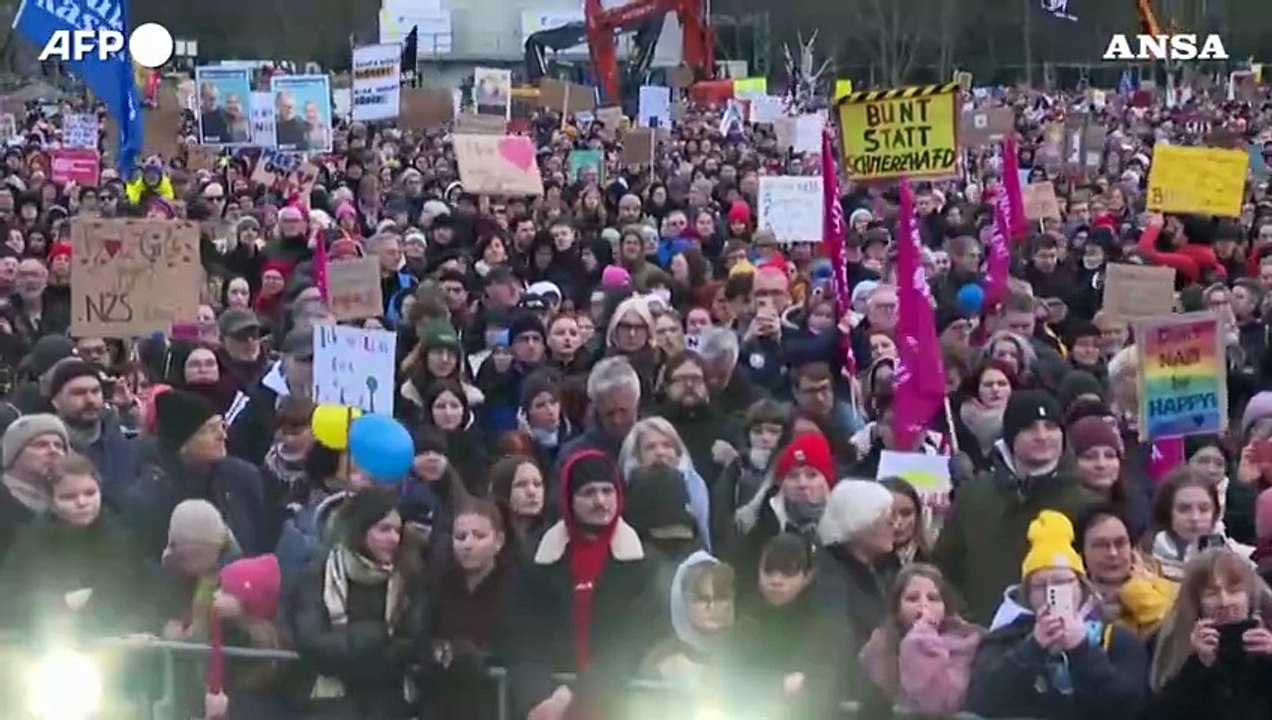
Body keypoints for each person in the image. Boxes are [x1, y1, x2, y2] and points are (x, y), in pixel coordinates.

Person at [505, 449, 654, 720]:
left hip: (616, 704)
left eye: (607, 491)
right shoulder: (537, 558)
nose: (600, 501)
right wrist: (540, 698)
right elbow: (522, 639)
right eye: (588, 493)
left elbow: (633, 642)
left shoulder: (642, 562)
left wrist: (573, 697)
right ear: (568, 499)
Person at [964, 510, 1148, 719]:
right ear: (1028, 595)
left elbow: (1128, 706)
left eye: (1062, 582)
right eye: (1041, 586)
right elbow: (983, 701)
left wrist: (1080, 648)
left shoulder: (1117, 639)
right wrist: (1033, 648)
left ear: (1081, 587)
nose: (1051, 591)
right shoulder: (1004, 638)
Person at [936, 390, 1099, 623]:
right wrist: (963, 618)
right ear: (1011, 436)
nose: (1042, 436)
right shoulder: (974, 495)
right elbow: (944, 570)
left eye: (1051, 426)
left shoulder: (1087, 504)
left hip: (1063, 640)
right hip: (984, 639)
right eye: (1029, 428)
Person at [292, 488, 427, 719]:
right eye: (384, 529)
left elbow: (409, 643)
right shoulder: (319, 574)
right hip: (332, 706)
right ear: (361, 529)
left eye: (397, 530)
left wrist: (360, 657)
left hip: (390, 705)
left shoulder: (409, 577)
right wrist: (373, 634)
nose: (393, 538)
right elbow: (312, 643)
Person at [0, 452, 157, 637]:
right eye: (68, 496)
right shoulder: (30, 540)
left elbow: (143, 593)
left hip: (110, 646)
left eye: (90, 493)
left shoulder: (123, 536)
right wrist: (61, 604)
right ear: (50, 501)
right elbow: (9, 596)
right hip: (45, 644)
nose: (82, 502)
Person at [1149, 548, 1272, 719]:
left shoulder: (1267, 635)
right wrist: (1197, 665)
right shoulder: (1171, 641)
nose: (1225, 602)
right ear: (1197, 602)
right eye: (1212, 594)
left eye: (1234, 591)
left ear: (1249, 596)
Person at [859, 563, 985, 716]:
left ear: (946, 608)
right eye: (912, 598)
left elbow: (936, 705)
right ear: (897, 609)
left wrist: (921, 641)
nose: (923, 607)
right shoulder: (878, 648)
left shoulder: (966, 646)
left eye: (933, 599)